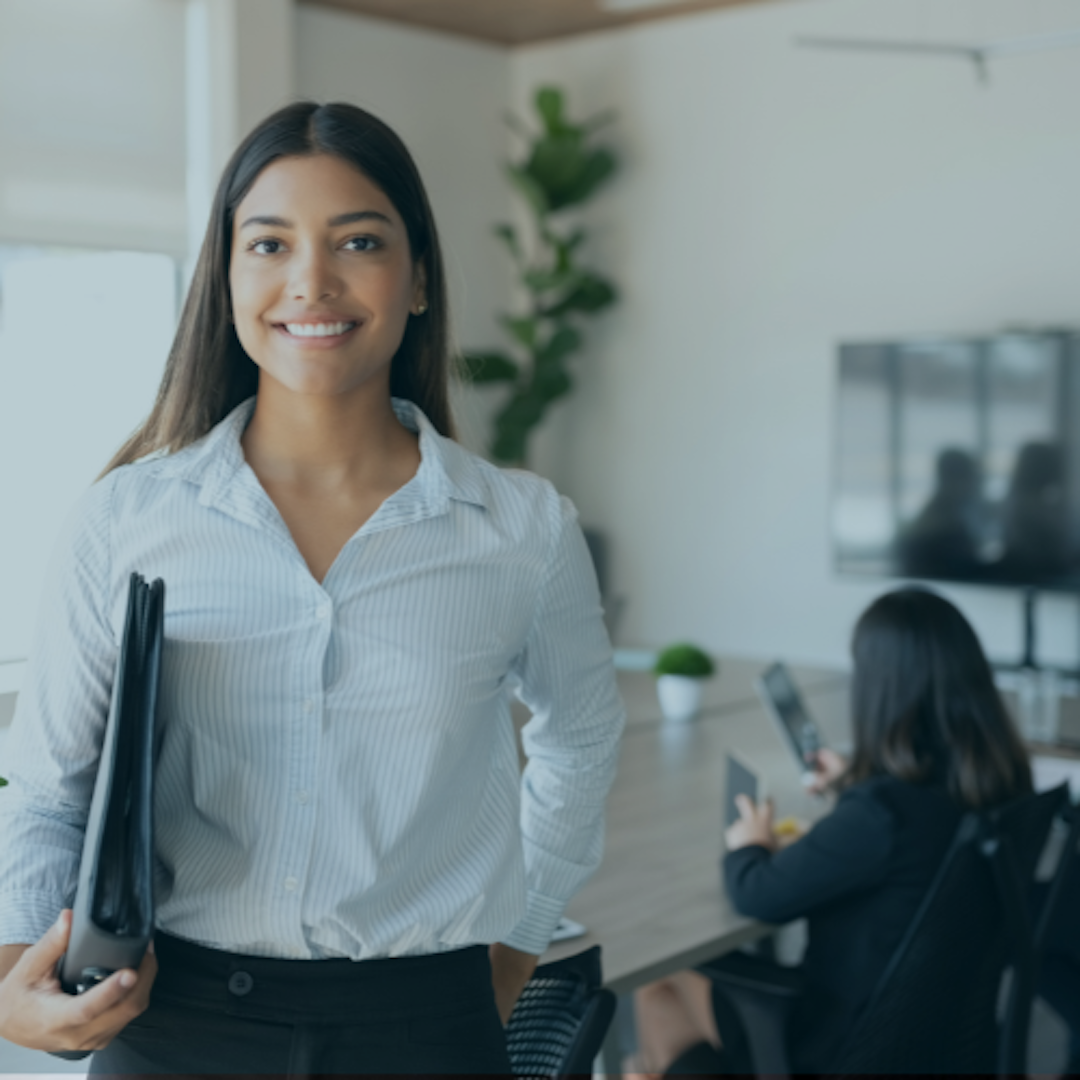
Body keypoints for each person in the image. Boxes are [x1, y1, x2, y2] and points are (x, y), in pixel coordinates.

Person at [0, 101, 625, 1075]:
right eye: (269, 243)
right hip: (174, 1023)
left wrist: (515, 943)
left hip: (426, 1026)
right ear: (229, 277)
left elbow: (580, 741)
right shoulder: (126, 519)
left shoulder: (522, 529)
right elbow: (48, 790)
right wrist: (17, 974)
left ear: (417, 277)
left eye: (359, 241)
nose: (310, 282)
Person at [630, 587, 1034, 1077]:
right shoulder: (1002, 783)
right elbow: (912, 825)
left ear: (880, 688)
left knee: (658, 984)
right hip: (937, 1042)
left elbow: (757, 894)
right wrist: (855, 781)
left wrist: (749, 844)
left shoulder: (881, 814)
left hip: (843, 1045)